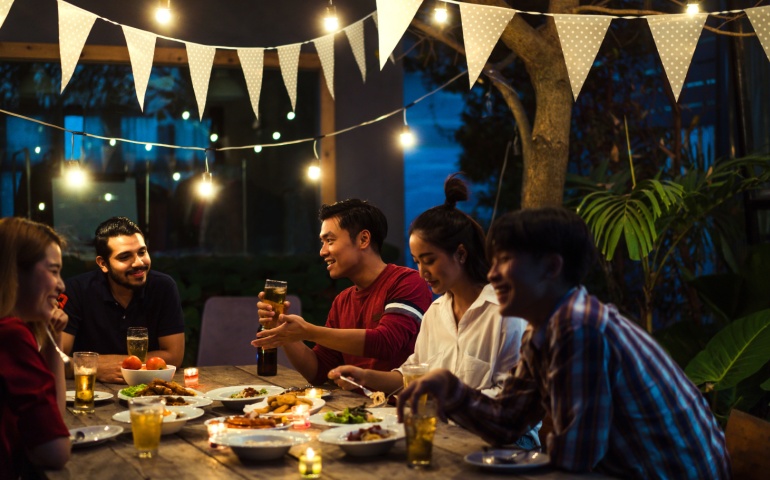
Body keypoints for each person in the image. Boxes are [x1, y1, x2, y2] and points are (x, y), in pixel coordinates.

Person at [398, 207, 730, 479]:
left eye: (504, 260)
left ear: (551, 267)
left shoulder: (580, 328)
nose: (492, 273)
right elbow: (508, 420)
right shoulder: (544, 327)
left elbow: (573, 462)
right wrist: (449, 387)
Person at [328, 175, 527, 399]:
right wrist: (365, 376)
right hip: (443, 430)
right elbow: (412, 376)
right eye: (416, 261)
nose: (422, 272)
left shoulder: (505, 313)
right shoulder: (435, 313)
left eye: (429, 260)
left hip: (496, 433)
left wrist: (444, 400)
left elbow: (512, 400)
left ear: (460, 253)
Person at [252, 199, 433, 385]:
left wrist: (307, 331)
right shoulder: (343, 301)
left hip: (400, 408)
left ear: (363, 240)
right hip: (356, 409)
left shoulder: (407, 281)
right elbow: (318, 371)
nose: (322, 252)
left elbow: (386, 342)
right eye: (322, 242)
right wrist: (284, 331)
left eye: (329, 241)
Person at [62, 217, 185, 383]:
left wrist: (93, 363)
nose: (138, 263)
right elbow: (57, 357)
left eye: (142, 252)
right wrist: (95, 369)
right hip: (92, 391)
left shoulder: (163, 287)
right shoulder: (75, 290)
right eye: (125, 257)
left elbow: (174, 356)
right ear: (103, 263)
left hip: (148, 390)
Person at [0, 218, 71, 477]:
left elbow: (54, 422)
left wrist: (54, 337)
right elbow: (55, 451)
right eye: (53, 271)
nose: (61, 285)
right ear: (15, 273)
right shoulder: (10, 335)